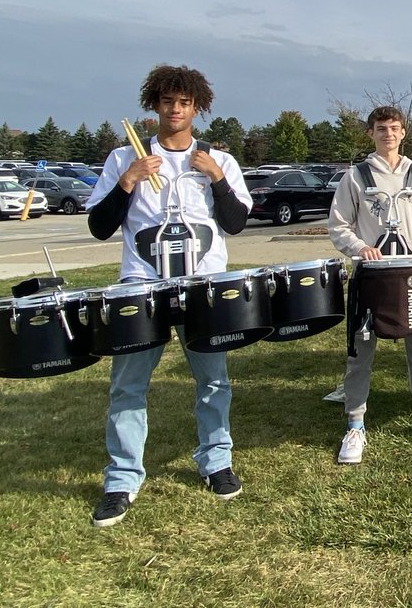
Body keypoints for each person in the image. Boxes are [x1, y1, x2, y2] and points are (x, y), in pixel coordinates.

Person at [85, 64, 252, 527]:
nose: (175, 110)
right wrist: (128, 181)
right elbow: (99, 227)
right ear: (154, 106)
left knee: (213, 380)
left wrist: (216, 178)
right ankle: (122, 479)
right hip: (142, 285)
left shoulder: (219, 159)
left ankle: (216, 461)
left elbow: (236, 223)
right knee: (128, 384)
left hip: (204, 287)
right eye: (167, 102)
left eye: (184, 102)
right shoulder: (125, 157)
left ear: (196, 108)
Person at [327, 106, 412, 463]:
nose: (389, 134)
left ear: (403, 133)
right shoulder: (356, 177)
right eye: (381, 128)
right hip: (373, 278)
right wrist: (360, 248)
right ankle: (355, 424)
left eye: (395, 128)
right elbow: (339, 225)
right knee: (360, 352)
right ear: (370, 133)